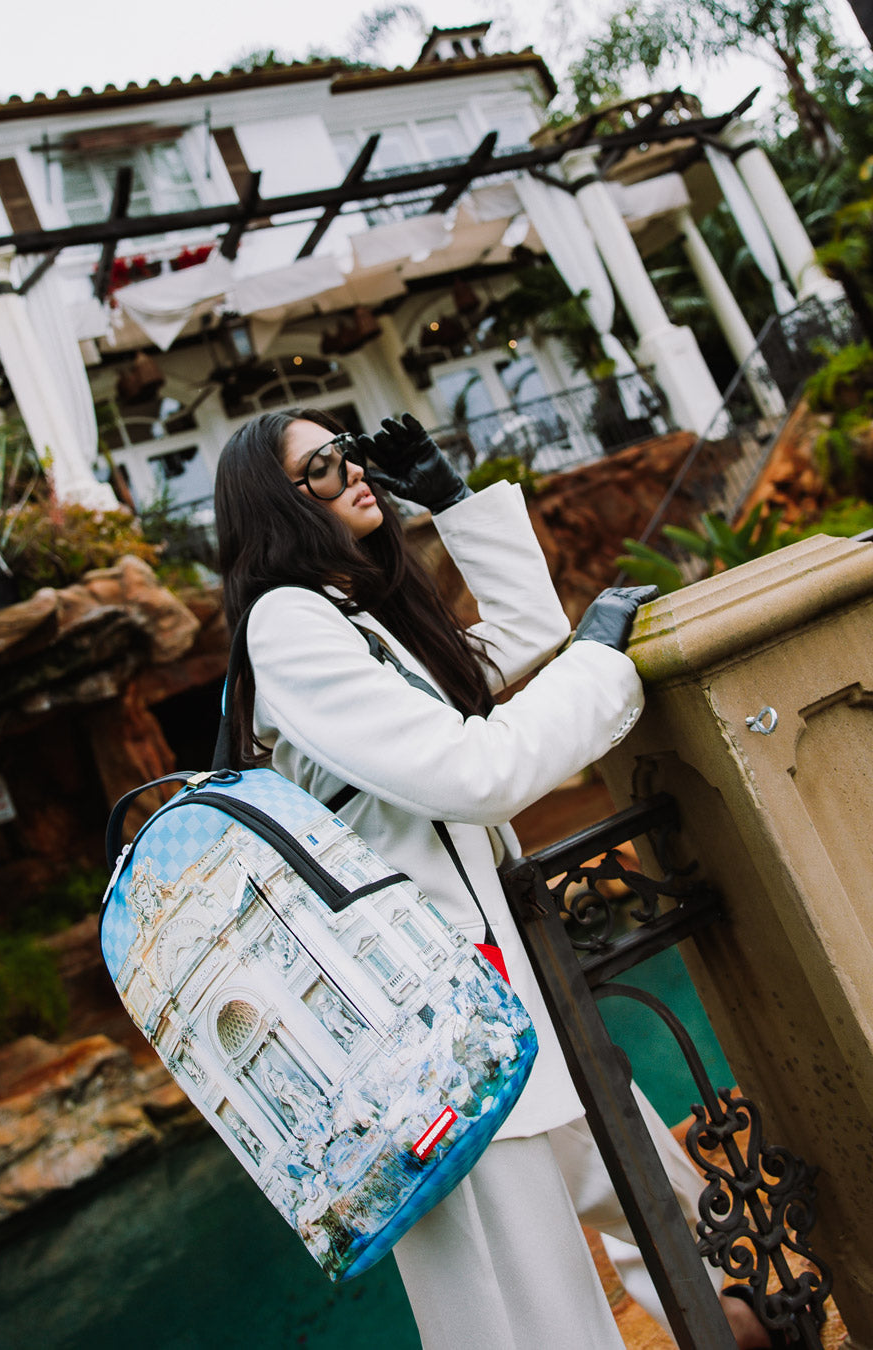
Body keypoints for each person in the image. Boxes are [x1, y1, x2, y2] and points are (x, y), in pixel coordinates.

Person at [213, 407, 771, 1349]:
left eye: (349, 450)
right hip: (425, 1040)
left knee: (669, 1219)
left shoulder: (348, 616)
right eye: (323, 466)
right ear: (273, 504)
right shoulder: (287, 628)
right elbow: (478, 773)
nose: (353, 469)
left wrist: (452, 503)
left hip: (501, 999)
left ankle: (740, 1321)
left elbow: (520, 635)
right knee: (531, 1317)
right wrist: (597, 664)